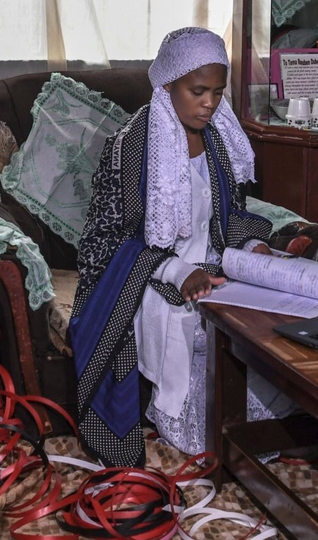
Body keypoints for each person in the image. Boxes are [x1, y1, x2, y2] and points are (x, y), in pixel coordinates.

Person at [68, 27, 294, 468]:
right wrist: (176, 272)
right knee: (184, 319)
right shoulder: (131, 147)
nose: (210, 103)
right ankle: (195, 420)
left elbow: (227, 218)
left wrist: (253, 245)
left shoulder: (216, 141)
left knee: (270, 318)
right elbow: (106, 241)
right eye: (198, 91)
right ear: (167, 85)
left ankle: (260, 423)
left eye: (217, 92)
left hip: (212, 270)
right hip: (148, 279)